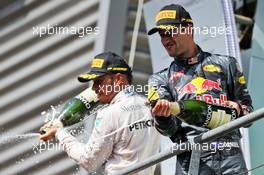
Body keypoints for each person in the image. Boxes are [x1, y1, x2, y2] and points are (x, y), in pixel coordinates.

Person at [147, 4, 253, 175]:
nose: (165, 40)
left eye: (170, 32)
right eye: (161, 35)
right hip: (191, 161)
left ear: (188, 29)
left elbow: (249, 116)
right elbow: (169, 130)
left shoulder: (227, 64)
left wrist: (239, 109)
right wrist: (162, 117)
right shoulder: (159, 79)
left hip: (230, 157)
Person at [40, 52, 160, 175]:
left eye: (99, 81)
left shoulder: (109, 113)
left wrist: (59, 133)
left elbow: (89, 161)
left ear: (119, 79)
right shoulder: (150, 106)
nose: (93, 88)